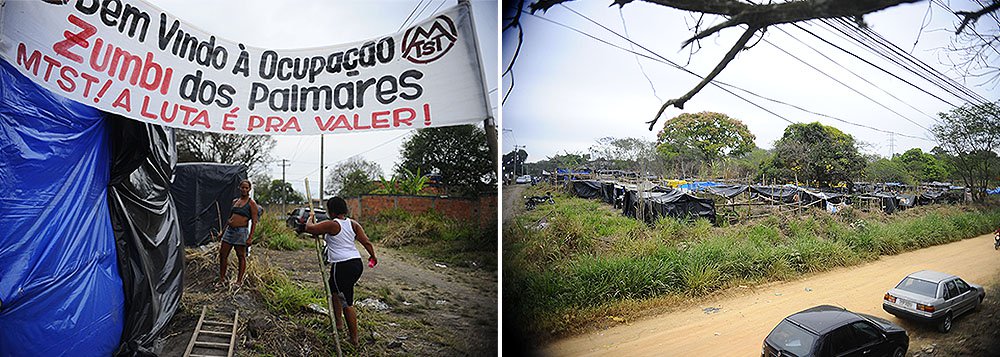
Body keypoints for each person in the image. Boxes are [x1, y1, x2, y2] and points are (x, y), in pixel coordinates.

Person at [305, 197, 377, 346]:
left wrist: (311, 218)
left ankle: (354, 339)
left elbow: (310, 228)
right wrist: (372, 255)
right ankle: (338, 324)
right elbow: (366, 242)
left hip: (342, 265)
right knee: (334, 290)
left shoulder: (332, 224)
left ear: (331, 211)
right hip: (356, 263)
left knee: (346, 300)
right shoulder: (353, 224)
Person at [219, 179, 258, 286]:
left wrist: (250, 238)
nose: (244, 189)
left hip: (241, 232)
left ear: (249, 189)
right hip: (229, 231)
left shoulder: (251, 203)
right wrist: (223, 232)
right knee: (223, 254)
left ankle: (239, 281)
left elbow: (254, 222)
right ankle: (222, 279)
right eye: (243, 187)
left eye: (246, 188)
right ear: (239, 188)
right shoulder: (235, 201)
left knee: (241, 255)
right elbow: (230, 218)